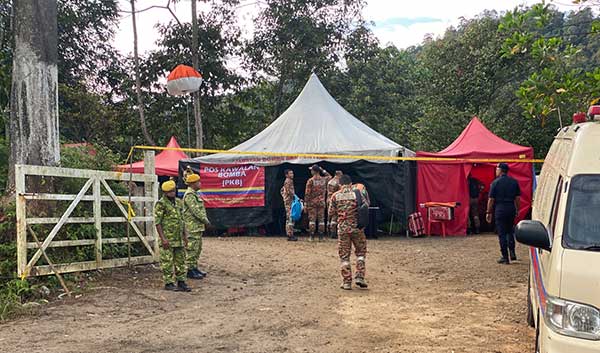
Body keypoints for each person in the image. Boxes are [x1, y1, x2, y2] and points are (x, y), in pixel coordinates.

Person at [329, 175, 368, 290]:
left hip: (343, 229)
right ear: (351, 184)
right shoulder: (358, 193)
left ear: (340, 184)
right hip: (357, 228)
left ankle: (346, 282)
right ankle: (360, 276)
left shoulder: (335, 196)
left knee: (344, 256)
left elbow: (331, 212)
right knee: (360, 253)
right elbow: (365, 207)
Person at [154, 180, 191, 292]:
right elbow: (158, 222)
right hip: (168, 238)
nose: (172, 193)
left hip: (178, 238)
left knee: (181, 260)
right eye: (169, 192)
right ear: (165, 192)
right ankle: (169, 282)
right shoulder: (161, 204)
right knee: (167, 261)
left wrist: (185, 236)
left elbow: (182, 220)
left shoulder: (179, 202)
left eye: (173, 191)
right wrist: (163, 238)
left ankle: (181, 282)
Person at [486, 163, 521, 264]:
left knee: (501, 233)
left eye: (497, 169)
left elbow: (491, 199)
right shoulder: (514, 182)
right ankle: (512, 251)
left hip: (500, 209)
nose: (496, 171)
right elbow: (517, 198)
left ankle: (505, 257)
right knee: (510, 231)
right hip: (511, 208)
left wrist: (488, 212)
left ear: (500, 170)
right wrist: (517, 209)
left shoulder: (495, 183)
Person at [182, 173, 210, 280]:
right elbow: (196, 211)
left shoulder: (194, 194)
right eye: (198, 182)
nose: (200, 184)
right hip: (192, 226)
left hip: (197, 226)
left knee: (197, 248)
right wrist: (206, 221)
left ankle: (194, 267)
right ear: (193, 184)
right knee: (192, 248)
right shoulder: (189, 195)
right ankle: (190, 270)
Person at [305, 165, 332, 241]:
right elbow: (330, 176)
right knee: (321, 220)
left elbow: (307, 193)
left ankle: (311, 236)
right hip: (321, 202)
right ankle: (321, 236)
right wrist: (322, 170)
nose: (311, 172)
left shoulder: (310, 180)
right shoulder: (324, 180)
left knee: (312, 220)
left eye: (311, 170)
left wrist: (305, 203)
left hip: (312, 203)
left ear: (314, 171)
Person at [280, 169, 298, 241]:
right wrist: (296, 197)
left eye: (292, 173)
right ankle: (290, 234)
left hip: (290, 201)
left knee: (291, 217)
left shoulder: (289, 181)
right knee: (290, 217)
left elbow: (282, 190)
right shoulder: (288, 181)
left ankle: (290, 233)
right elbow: (289, 191)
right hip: (289, 202)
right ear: (286, 175)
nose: (292, 175)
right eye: (290, 173)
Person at [327, 171, 343, 238]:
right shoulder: (338, 183)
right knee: (335, 216)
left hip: (329, 199)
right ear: (339, 175)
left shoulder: (330, 181)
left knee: (329, 216)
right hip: (335, 200)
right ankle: (333, 233)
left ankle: (328, 231)